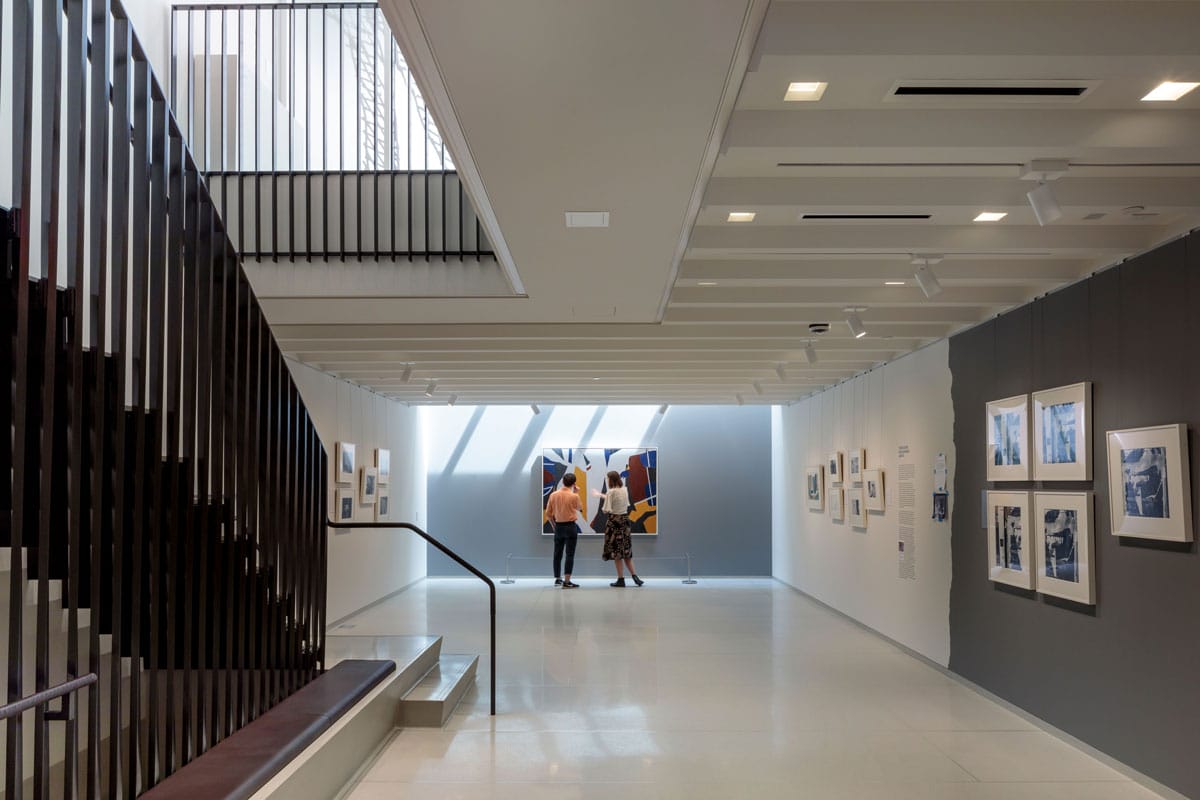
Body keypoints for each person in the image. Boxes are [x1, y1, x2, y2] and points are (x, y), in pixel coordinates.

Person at [598, 470, 642, 587]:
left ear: (610, 479)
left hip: (614, 523)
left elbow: (606, 509)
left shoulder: (611, 492)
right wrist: (601, 495)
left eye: (608, 479)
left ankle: (621, 579)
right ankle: (634, 576)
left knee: (617, 553)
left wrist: (602, 497)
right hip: (625, 522)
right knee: (626, 551)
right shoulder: (624, 489)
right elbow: (622, 503)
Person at [546, 473, 583, 588]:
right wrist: (576, 493)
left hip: (559, 526)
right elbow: (580, 508)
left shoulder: (553, 495)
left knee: (557, 553)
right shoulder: (574, 496)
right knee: (569, 554)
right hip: (571, 527)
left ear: (562, 482)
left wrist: (554, 526)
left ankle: (558, 579)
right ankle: (567, 581)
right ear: (573, 484)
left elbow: (548, 514)